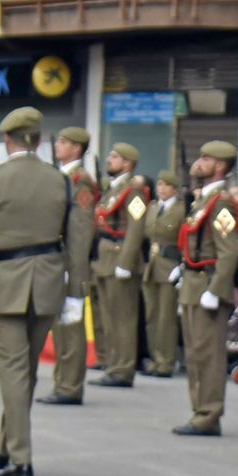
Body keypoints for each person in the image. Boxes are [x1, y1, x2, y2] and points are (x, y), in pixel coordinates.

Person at [0, 107, 94, 476]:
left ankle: (21, 459)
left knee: (14, 372)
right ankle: (5, 447)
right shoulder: (60, 181)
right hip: (48, 282)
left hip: (7, 282)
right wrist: (77, 294)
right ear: (40, 140)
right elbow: (78, 240)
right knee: (23, 373)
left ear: (7, 139)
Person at [173, 141, 238, 437]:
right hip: (194, 283)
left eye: (205, 159)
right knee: (195, 354)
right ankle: (199, 410)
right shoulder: (204, 200)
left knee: (208, 355)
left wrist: (216, 288)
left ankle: (209, 413)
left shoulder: (222, 202)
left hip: (207, 286)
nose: (198, 163)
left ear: (220, 166)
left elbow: (229, 252)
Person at [41, 127, 100, 404]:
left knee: (71, 328)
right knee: (60, 328)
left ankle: (70, 386)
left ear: (77, 148)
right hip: (56, 259)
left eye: (64, 142)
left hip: (69, 261)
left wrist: (74, 270)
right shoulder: (62, 177)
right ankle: (62, 382)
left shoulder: (80, 181)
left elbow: (81, 229)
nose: (58, 146)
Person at [91, 143, 149, 388]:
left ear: (127, 163)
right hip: (105, 257)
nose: (109, 159)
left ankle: (123, 369)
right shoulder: (111, 190)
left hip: (120, 255)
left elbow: (136, 228)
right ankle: (113, 363)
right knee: (109, 316)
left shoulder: (133, 192)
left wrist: (126, 261)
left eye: (114, 157)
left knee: (123, 317)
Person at [141, 170, 186, 378]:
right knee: (151, 314)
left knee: (166, 316)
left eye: (166, 185)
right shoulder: (152, 207)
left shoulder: (181, 209)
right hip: (152, 264)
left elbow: (184, 240)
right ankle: (154, 358)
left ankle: (166, 361)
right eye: (159, 184)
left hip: (169, 264)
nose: (161, 188)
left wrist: (181, 264)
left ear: (174, 189)